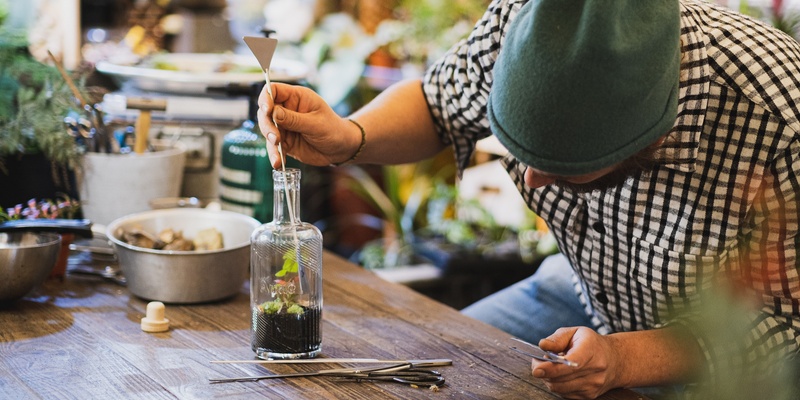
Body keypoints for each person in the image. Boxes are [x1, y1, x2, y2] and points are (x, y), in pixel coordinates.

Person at [258, 0, 800, 398]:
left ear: (653, 137)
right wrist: (348, 137)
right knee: (431, 379)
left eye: (566, 167)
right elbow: (439, 102)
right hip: (583, 289)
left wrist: (623, 358)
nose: (532, 182)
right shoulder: (537, 21)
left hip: (726, 350)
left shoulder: (779, 119)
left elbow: (785, 321)